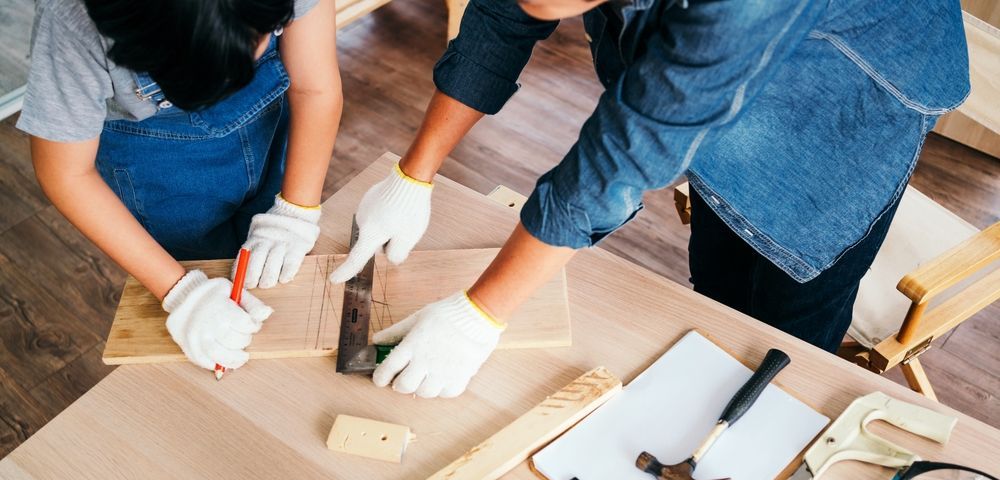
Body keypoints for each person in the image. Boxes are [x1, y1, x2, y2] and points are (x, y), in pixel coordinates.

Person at [330, 0, 969, 398]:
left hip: (841, 89)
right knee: (719, 292)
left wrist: (481, 314)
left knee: (774, 345)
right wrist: (415, 175)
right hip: (724, 44)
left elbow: (635, 145)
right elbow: (502, 16)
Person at [19, 0, 341, 372]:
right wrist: (181, 292)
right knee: (218, 325)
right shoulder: (69, 18)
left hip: (270, 145)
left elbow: (315, 89)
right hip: (161, 178)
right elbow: (66, 174)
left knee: (285, 293)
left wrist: (296, 209)